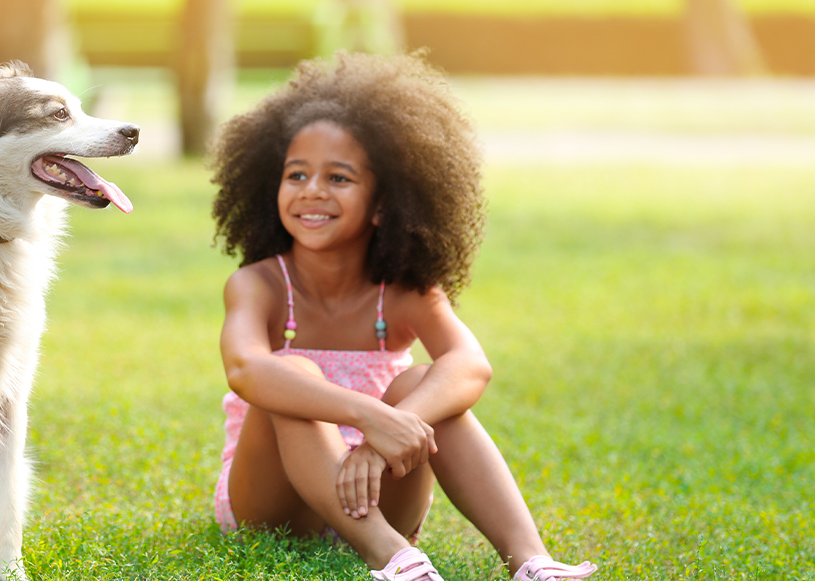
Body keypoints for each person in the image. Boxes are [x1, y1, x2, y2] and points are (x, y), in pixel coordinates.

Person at [208, 52, 597, 581]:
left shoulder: (406, 290)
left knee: (424, 381)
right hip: (275, 505)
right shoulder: (259, 284)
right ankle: (392, 560)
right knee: (290, 375)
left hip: (382, 487)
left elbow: (469, 364)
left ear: (384, 204)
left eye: (339, 178)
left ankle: (531, 561)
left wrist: (380, 436)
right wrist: (368, 416)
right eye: (296, 174)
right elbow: (247, 369)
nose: (313, 190)